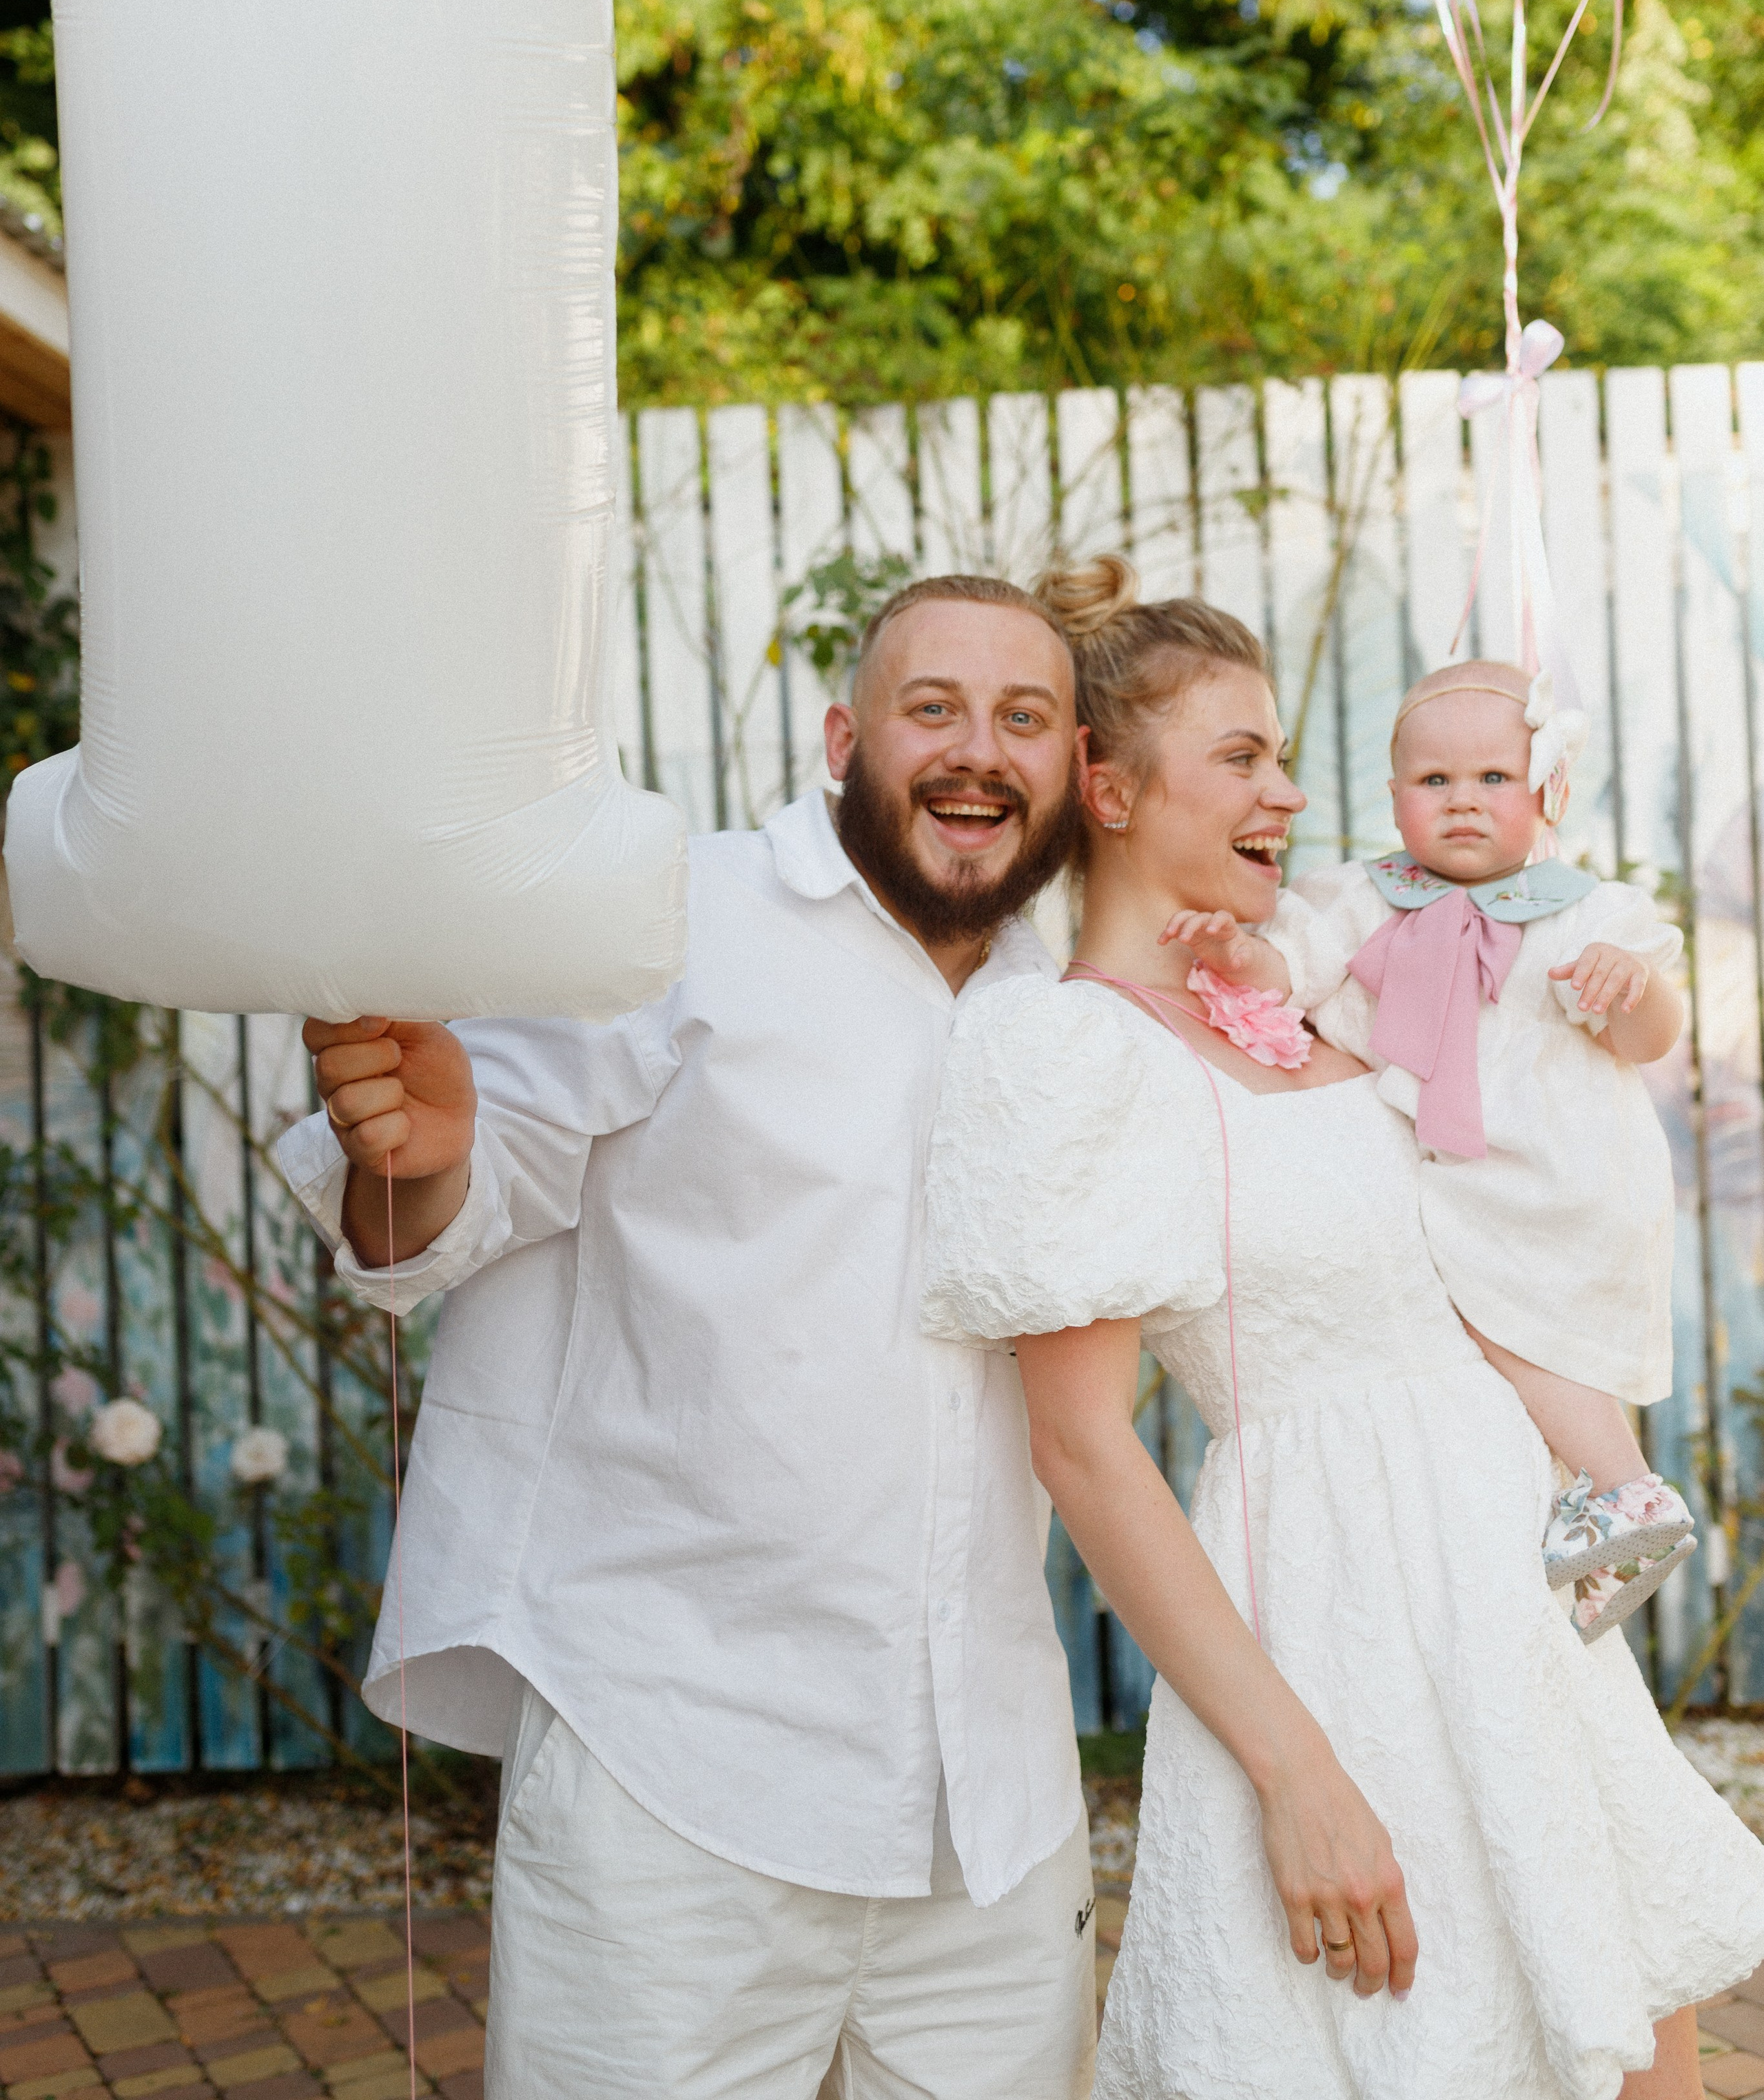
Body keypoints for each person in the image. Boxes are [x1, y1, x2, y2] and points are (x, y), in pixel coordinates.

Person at [921, 556, 1764, 2100]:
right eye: (1240, 756)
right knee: (1412, 2044)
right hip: (1336, 1600)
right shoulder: (1064, 1050)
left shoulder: (1290, 993)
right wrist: (1294, 1769)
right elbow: (1083, 1450)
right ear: (1105, 790)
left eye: (1287, 758)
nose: (1289, 795)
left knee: (1641, 2038)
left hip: (1500, 1575)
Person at [274, 575, 1101, 2100]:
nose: (976, 751)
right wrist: (427, 1143)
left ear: (1071, 766)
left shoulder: (1077, 993)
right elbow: (432, 1195)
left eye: (1022, 718)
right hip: (672, 1758)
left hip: (985, 1791)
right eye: (933, 711)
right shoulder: (681, 916)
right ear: (843, 739)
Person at [1162, 656, 1694, 1644]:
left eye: (1494, 779)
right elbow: (1293, 970)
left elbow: (1649, 1037)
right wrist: (1239, 954)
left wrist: (1636, 984)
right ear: (1395, 795)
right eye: (1434, 782)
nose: (1463, 803)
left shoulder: (1585, 913)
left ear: (1546, 790)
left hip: (1557, 1182)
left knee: (1513, 1324)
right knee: (1474, 1337)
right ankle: (1595, 1500)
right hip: (1449, 1179)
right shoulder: (1360, 899)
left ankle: (1626, 1492)